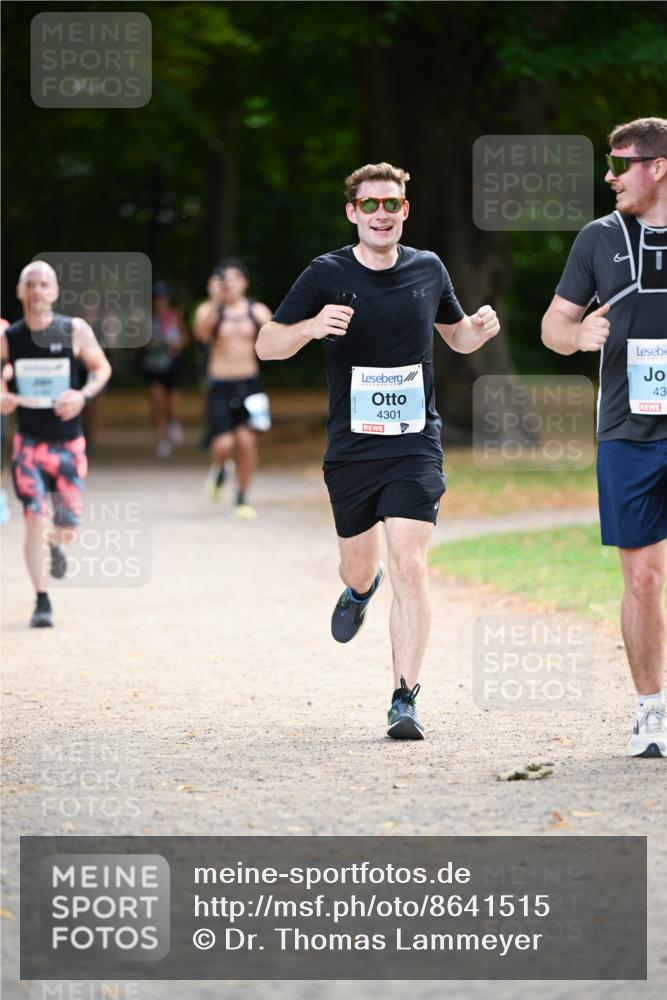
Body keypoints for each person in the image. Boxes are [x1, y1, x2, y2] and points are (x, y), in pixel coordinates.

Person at [256, 162, 500, 740]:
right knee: (362, 564)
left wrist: (478, 331)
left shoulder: (428, 268)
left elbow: (456, 334)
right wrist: (312, 325)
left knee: (410, 564)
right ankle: (360, 590)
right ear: (353, 212)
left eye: (391, 204)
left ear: (405, 211)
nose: (382, 214)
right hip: (352, 449)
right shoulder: (326, 272)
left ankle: (404, 697)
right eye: (370, 205)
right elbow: (268, 345)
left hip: (416, 443)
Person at [541, 117, 667, 758]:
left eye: (621, 164)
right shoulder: (598, 238)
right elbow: (553, 326)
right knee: (643, 578)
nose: (609, 176)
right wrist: (576, 336)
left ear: (660, 166)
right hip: (627, 431)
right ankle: (651, 712)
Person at [0, 260, 112, 627]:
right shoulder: (10, 337)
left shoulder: (73, 330)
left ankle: (58, 543)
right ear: (19, 292)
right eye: (29, 284)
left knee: (64, 526)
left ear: (55, 291)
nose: (36, 290)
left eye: (44, 283)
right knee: (34, 519)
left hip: (68, 443)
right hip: (28, 443)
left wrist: (83, 395)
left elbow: (100, 368)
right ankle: (41, 600)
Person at [193, 259, 272, 519]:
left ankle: (242, 496)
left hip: (250, 385)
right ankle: (220, 468)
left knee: (247, 442)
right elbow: (200, 334)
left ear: (245, 282)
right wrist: (216, 302)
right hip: (220, 385)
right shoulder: (209, 310)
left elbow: (275, 337)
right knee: (224, 444)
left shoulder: (256, 310)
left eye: (235, 278)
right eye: (225, 279)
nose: (230, 284)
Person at [140, 282, 188, 459]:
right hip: (152, 366)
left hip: (171, 364)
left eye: (161, 298)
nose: (158, 301)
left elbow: (184, 338)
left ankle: (174, 423)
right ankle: (162, 440)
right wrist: (148, 343)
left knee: (171, 405)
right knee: (157, 403)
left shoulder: (174, 316)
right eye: (155, 298)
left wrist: (176, 345)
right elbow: (138, 343)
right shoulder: (145, 318)